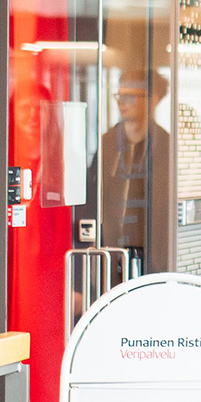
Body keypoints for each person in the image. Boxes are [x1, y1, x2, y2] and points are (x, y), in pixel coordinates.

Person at [80, 71, 174, 273]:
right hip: (109, 256)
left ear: (152, 100)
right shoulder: (108, 143)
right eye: (119, 96)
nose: (121, 103)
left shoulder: (166, 146)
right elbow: (91, 196)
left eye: (129, 97)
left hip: (152, 260)